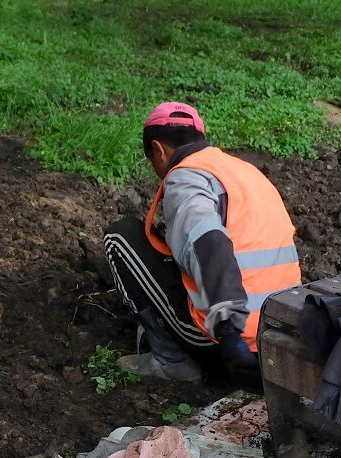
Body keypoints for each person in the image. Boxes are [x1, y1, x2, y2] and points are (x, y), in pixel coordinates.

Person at [103, 102, 302, 389]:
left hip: (229, 340)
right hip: (281, 329)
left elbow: (209, 244)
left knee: (121, 236)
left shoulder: (186, 178)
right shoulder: (243, 171)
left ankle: (171, 361)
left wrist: (228, 329)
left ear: (158, 150)